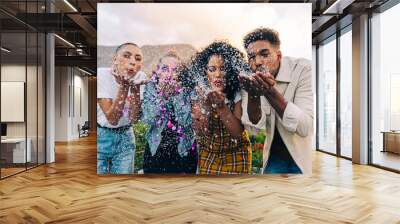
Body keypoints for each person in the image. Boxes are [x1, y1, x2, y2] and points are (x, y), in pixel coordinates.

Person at [239, 27, 313, 175]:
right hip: (269, 159)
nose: (258, 62)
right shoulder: (248, 78)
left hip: (300, 156)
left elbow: (305, 127)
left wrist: (270, 92)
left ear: (279, 56)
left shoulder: (303, 69)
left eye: (264, 54)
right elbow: (253, 131)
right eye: (252, 57)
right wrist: (254, 96)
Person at [189, 41, 252, 175]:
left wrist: (221, 107)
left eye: (223, 69)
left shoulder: (236, 92)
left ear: (231, 71)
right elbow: (201, 133)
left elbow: (237, 133)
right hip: (209, 153)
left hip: (236, 153)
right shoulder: (199, 92)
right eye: (212, 69)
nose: (218, 74)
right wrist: (205, 104)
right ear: (204, 72)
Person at [141, 51, 197, 174]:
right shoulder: (151, 87)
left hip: (185, 151)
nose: (169, 74)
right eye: (165, 69)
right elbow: (149, 119)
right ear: (158, 71)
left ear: (180, 74)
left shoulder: (188, 89)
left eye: (175, 70)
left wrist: (176, 96)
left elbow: (186, 122)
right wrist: (162, 97)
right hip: (155, 150)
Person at [97, 42, 147, 174]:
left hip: (126, 136)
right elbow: (113, 119)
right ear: (114, 59)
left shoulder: (141, 78)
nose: (132, 62)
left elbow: (133, 118)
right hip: (101, 136)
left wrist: (135, 89)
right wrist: (124, 87)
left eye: (137, 59)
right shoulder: (101, 75)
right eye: (126, 56)